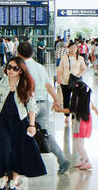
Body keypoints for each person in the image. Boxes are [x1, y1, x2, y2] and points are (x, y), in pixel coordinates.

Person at [0, 57, 47, 190]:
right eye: (9, 67)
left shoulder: (25, 84)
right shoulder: (1, 82)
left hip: (20, 121)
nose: (10, 70)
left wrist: (31, 124)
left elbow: (32, 106)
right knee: (5, 150)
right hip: (3, 121)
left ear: (21, 70)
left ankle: (14, 180)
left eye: (15, 68)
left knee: (18, 151)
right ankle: (3, 177)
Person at [16, 40, 70, 175]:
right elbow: (48, 85)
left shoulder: (20, 67)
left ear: (18, 53)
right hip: (43, 104)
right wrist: (56, 100)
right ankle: (62, 159)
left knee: (22, 133)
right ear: (33, 53)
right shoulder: (40, 67)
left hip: (28, 105)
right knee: (44, 134)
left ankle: (22, 166)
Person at [66, 77, 98, 170]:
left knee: (78, 143)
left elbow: (71, 110)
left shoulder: (78, 101)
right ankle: (83, 160)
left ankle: (87, 161)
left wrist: (58, 109)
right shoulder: (86, 99)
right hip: (85, 121)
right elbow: (94, 109)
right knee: (79, 142)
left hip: (80, 121)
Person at [57, 40, 88, 115]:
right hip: (65, 81)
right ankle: (67, 116)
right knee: (66, 99)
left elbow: (84, 68)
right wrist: (59, 77)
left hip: (76, 81)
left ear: (77, 49)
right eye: (71, 47)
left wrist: (79, 74)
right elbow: (60, 69)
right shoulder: (64, 58)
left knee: (75, 99)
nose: (73, 49)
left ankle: (74, 116)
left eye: (74, 47)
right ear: (68, 48)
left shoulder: (80, 58)